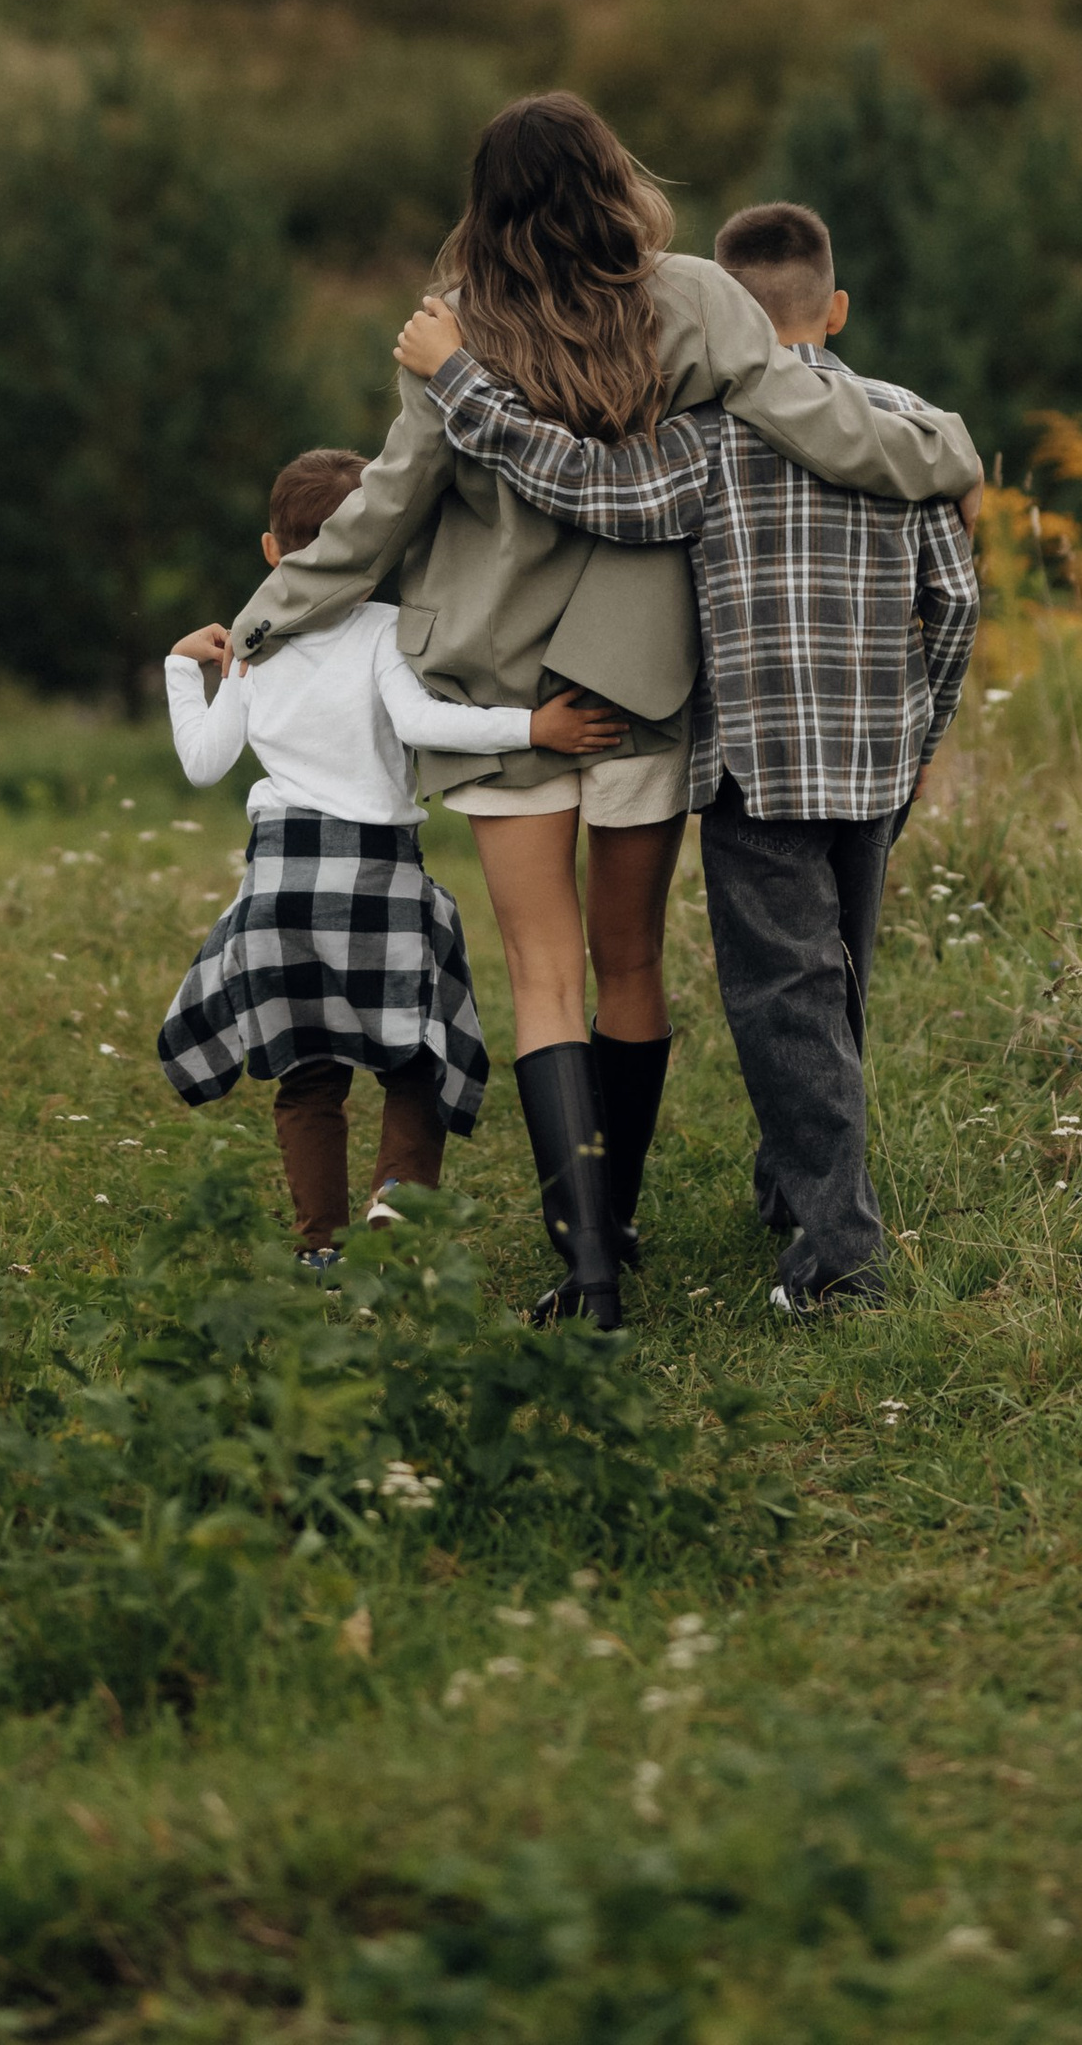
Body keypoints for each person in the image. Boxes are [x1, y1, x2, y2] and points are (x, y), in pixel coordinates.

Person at [226, 97, 981, 1329]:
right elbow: (818, 420)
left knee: (541, 971)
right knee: (630, 963)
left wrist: (257, 623)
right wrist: (941, 445)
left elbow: (377, 518)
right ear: (614, 181)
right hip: (641, 674)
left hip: (488, 680)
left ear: (487, 203)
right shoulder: (695, 300)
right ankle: (617, 1221)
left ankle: (583, 1272)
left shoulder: (449, 334)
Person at [156, 443, 628, 1266]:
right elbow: (423, 725)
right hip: (377, 880)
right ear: (380, 548)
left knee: (308, 1079)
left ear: (272, 552)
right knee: (419, 1053)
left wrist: (177, 667)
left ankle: (319, 1251)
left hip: (279, 888)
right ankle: (401, 1195)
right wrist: (534, 727)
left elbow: (203, 765)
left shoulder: (254, 643)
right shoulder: (384, 630)